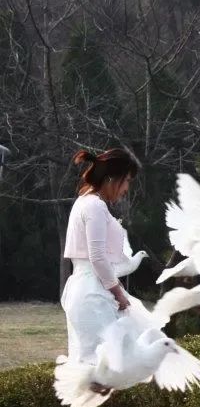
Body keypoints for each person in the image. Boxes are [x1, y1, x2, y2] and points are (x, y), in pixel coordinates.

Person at [61, 148, 140, 376]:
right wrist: (118, 293)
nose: (126, 189)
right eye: (127, 181)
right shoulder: (94, 205)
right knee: (103, 368)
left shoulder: (86, 202)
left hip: (90, 288)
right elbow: (97, 256)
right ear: (112, 179)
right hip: (92, 292)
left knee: (102, 367)